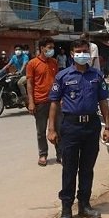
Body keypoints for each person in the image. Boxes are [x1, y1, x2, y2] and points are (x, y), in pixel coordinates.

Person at [47, 39, 109, 218]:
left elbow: (103, 102)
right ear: (72, 54)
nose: (82, 54)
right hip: (70, 127)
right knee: (69, 169)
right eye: (78, 51)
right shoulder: (63, 76)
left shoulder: (97, 76)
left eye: (85, 51)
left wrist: (107, 126)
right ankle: (66, 209)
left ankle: (84, 205)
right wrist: (51, 129)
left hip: (91, 126)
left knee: (87, 168)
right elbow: (53, 104)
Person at [27, 37, 62, 166]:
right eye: (49, 48)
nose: (52, 50)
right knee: (41, 131)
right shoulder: (32, 63)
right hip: (40, 102)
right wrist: (31, 102)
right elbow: (30, 84)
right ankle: (43, 154)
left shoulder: (54, 62)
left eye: (53, 48)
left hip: (55, 101)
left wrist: (61, 98)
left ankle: (61, 154)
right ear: (42, 48)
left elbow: (58, 81)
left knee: (58, 129)